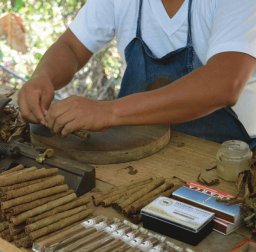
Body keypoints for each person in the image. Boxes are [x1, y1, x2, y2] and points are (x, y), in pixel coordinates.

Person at [18, 0, 256, 149]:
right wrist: (43, 77)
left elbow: (223, 84)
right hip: (137, 145)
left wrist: (108, 111)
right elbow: (71, 46)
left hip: (226, 154)